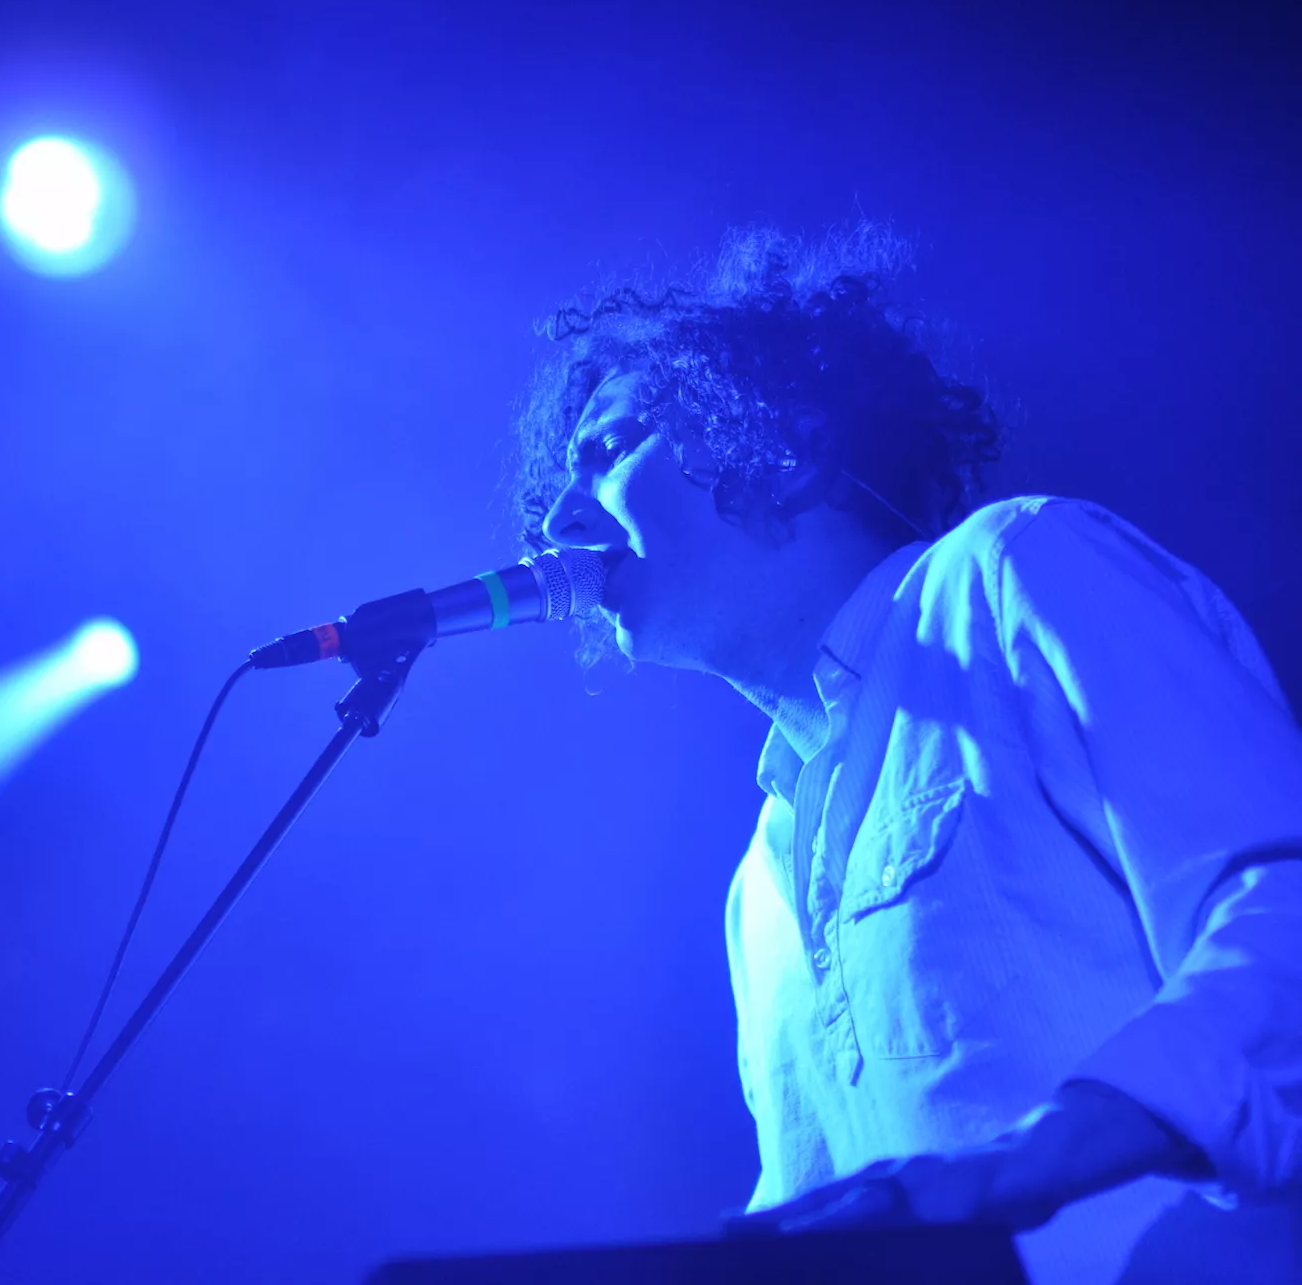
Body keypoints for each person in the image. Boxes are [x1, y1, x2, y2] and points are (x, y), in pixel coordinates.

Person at [517, 223, 1302, 1284]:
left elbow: (1281, 910)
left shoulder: (1018, 568)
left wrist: (1011, 1168)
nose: (557, 517)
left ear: (780, 446)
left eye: (606, 450)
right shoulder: (757, 880)